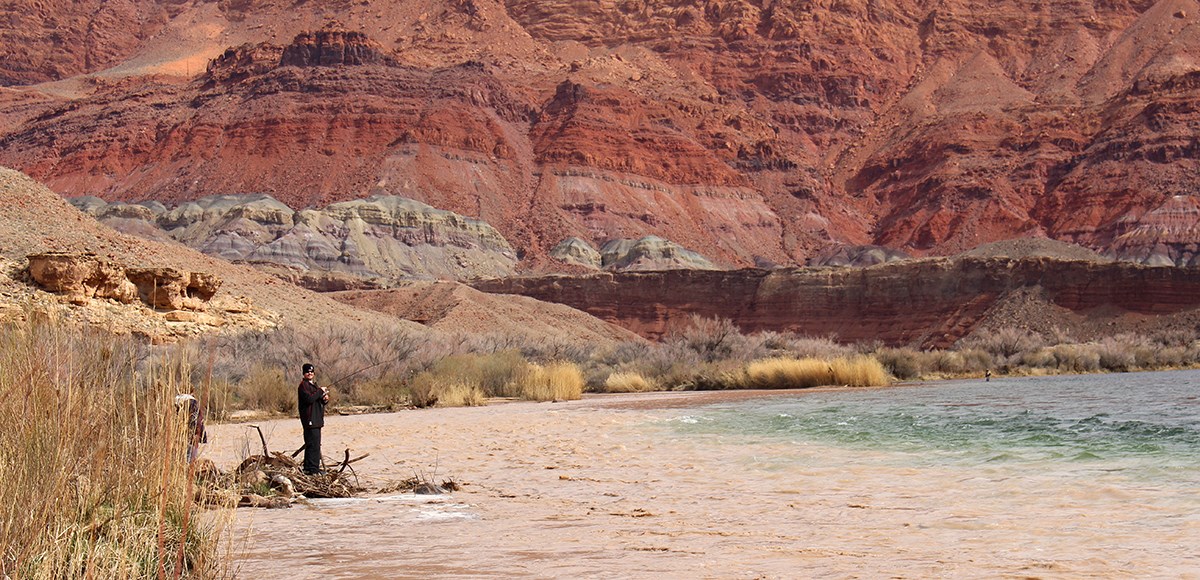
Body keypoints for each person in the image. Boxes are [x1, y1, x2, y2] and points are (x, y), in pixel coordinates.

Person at [297, 362, 329, 475]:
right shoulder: (303, 386)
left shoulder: (314, 386)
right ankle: (310, 469)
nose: (309, 373)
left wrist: (324, 398)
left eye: (311, 371)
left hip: (317, 420)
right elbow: (309, 399)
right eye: (307, 372)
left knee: (316, 445)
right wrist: (320, 391)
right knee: (311, 444)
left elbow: (317, 400)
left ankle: (314, 467)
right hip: (309, 420)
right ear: (304, 373)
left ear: (314, 373)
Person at [174, 393, 206, 463]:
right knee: (190, 457)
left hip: (182, 436)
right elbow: (198, 421)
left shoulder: (176, 400)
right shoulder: (192, 401)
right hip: (190, 436)